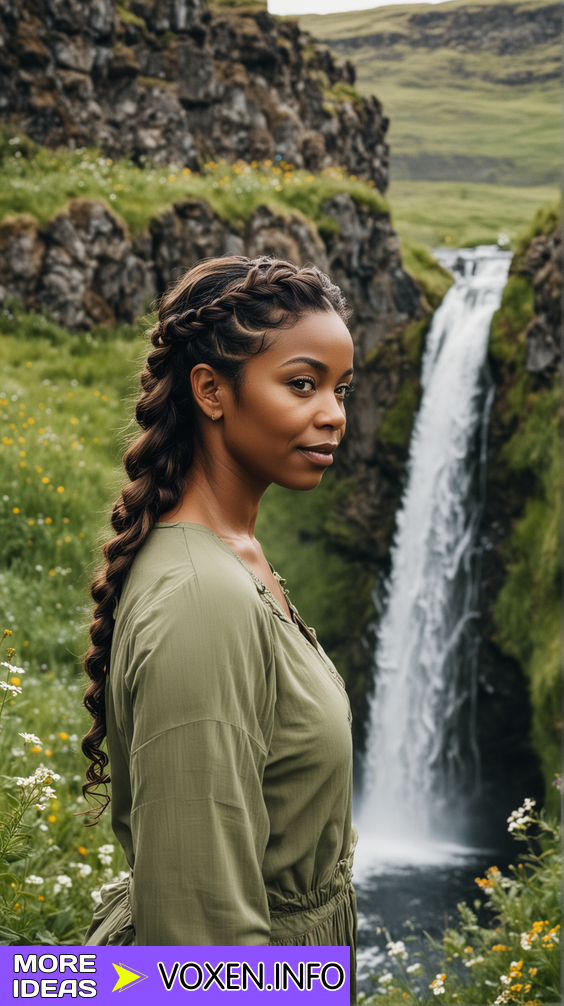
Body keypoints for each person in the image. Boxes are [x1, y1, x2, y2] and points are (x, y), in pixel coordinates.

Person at [81, 254, 358, 999]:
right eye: (302, 384)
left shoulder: (237, 558)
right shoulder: (204, 599)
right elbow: (201, 953)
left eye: (340, 388)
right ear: (211, 390)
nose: (333, 412)